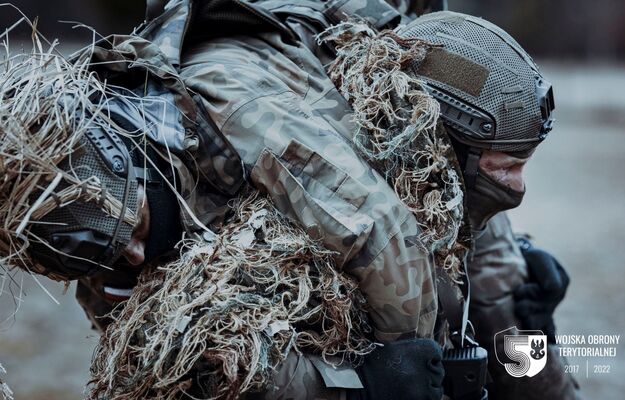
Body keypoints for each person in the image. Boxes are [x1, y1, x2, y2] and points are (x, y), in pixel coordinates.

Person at [0, 1, 578, 398]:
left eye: (133, 235)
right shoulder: (93, 212)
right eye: (111, 254)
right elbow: (147, 339)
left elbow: (383, 237)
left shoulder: (240, 114)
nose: (130, 256)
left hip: (416, 97)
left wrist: (417, 362)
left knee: (501, 309)